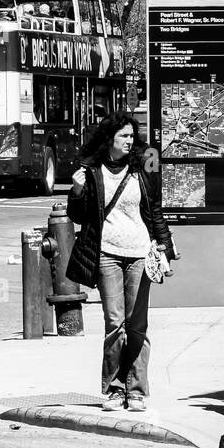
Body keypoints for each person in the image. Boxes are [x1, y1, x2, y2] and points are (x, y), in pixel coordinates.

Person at [63, 111, 176, 414]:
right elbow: (79, 216)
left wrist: (164, 246)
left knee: (136, 324)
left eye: (131, 136)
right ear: (109, 138)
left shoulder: (141, 168)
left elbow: (154, 211)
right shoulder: (92, 170)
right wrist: (76, 191)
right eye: (124, 136)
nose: (130, 141)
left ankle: (136, 389)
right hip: (107, 254)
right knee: (115, 324)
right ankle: (115, 389)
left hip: (140, 253)